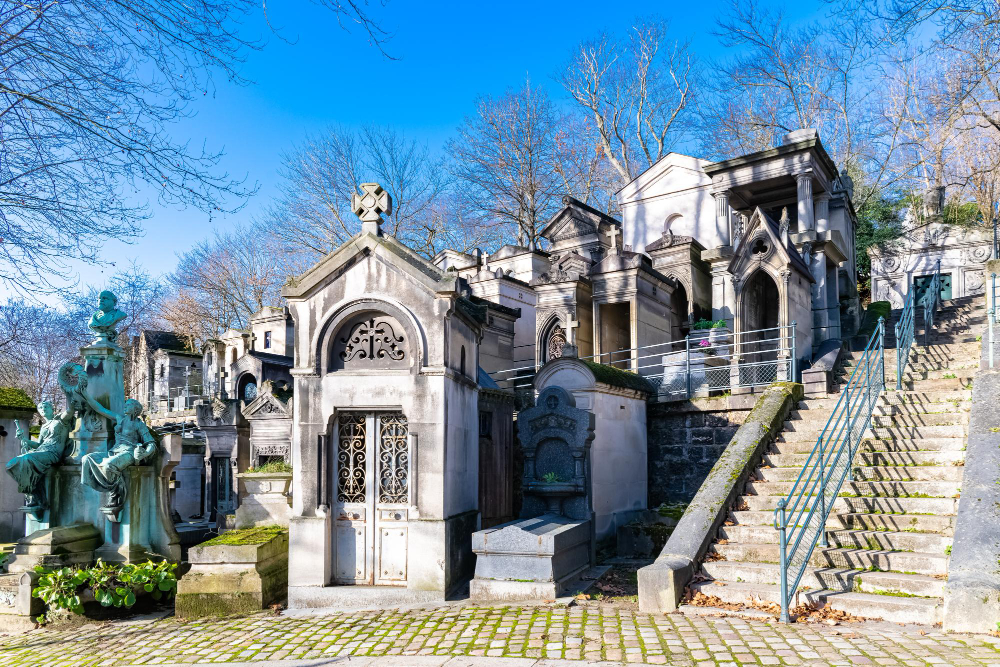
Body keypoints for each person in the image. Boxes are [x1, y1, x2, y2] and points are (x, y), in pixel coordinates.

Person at [80, 397, 157, 520]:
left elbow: (151, 444)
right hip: (114, 451)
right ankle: (109, 485)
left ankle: (116, 493)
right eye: (125, 404)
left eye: (129, 404)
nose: (125, 406)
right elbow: (100, 409)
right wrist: (85, 395)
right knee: (87, 458)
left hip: (129, 452)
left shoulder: (139, 425)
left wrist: (144, 454)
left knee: (108, 465)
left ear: (136, 409)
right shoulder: (119, 418)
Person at [5, 401, 75, 512]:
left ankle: (38, 498)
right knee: (11, 464)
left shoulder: (60, 420)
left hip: (53, 453)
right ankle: (34, 493)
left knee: (27, 459)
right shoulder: (43, 427)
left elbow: (70, 411)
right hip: (42, 451)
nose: (43, 409)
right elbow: (39, 445)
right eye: (41, 408)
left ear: (52, 409)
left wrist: (73, 398)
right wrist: (24, 440)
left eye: (46, 406)